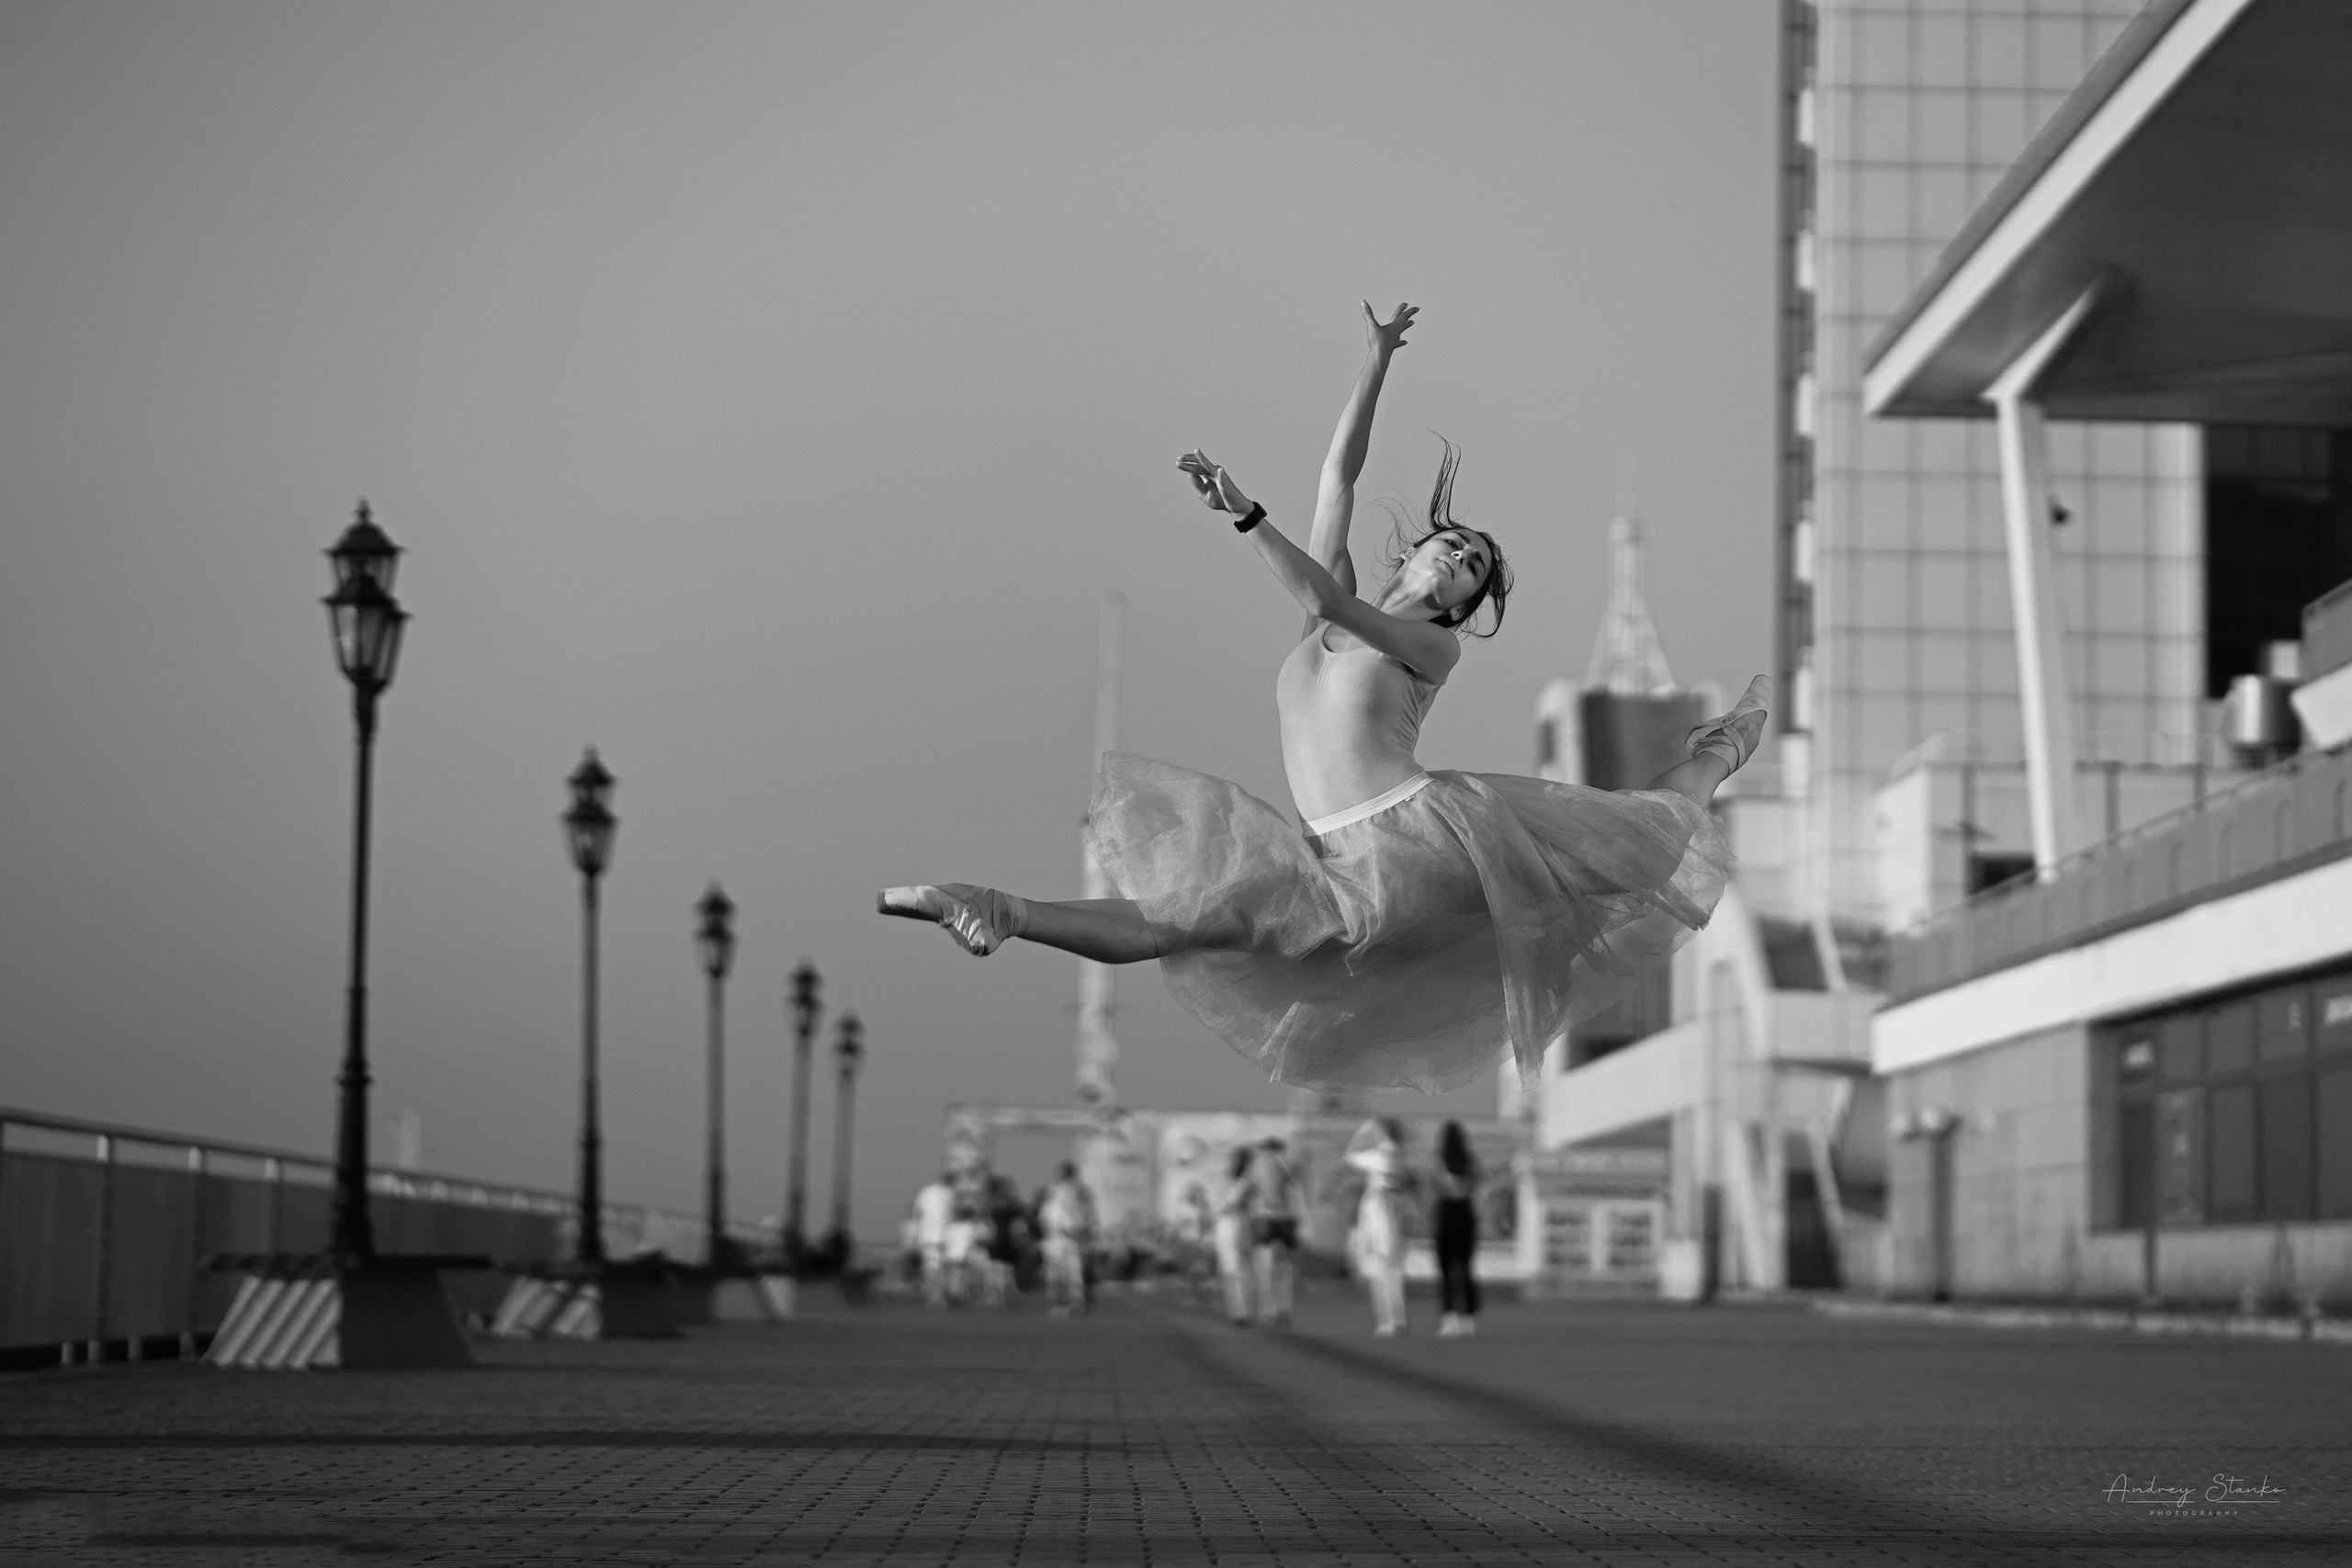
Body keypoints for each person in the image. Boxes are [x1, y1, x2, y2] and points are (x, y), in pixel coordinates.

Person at [881, 301, 1765, 1095]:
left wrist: (1244, 513)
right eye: (1455, 544)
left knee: (1636, 846)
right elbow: (1338, 479)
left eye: (1474, 568)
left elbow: (1324, 596)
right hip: (1334, 854)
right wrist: (1376, 362)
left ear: (1461, 606)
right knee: (1187, 919)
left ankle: (1716, 757)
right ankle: (997, 909)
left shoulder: (1430, 647)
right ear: (1415, 551)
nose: (1462, 558)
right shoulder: (1327, 620)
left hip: (1413, 839)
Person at [1344, 1118, 1414, 1337]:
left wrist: (1364, 1131)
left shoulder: (1380, 1155)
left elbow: (1350, 1155)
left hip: (1380, 1210)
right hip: (1395, 1210)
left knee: (1382, 1268)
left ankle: (1387, 1321)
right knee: (1394, 1268)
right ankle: (1398, 1319)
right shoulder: (1400, 1155)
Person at [1431, 1120, 1482, 1337]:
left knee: (1446, 1269)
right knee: (1466, 1268)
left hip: (1447, 1211)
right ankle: (1468, 1318)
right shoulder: (1470, 1161)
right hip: (1465, 1211)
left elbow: (1434, 1185)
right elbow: (1476, 1184)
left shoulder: (1438, 1161)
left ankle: (1449, 1316)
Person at [1250, 1136, 1305, 1327]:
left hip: (1267, 1217)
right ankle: (1283, 1308)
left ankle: (1269, 1310)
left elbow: (1257, 1191)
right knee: (1283, 1266)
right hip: (1285, 1217)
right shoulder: (1289, 1164)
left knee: (1267, 1266)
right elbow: (1296, 1192)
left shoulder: (1260, 1165)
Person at [1035, 1160, 1097, 1318]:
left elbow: (1087, 1215)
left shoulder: (1079, 1191)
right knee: (1055, 1273)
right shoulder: (1054, 1191)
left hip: (1072, 1238)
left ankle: (1075, 1304)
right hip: (1055, 1237)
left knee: (1073, 1272)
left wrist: (1083, 1231)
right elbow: (1045, 1215)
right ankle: (1057, 1304)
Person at [1213, 1145, 1258, 1326]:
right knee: (1228, 1268)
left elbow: (1236, 1204)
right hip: (1225, 1225)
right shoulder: (1228, 1181)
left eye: (1237, 1160)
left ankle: (1243, 1311)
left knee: (1241, 1267)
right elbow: (1220, 1205)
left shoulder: (1248, 1183)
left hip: (1239, 1223)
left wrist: (1227, 1205)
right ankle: (1235, 1310)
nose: (1233, 1163)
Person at [912, 1171, 956, 1308]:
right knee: (938, 1269)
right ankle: (937, 1296)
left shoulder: (925, 1192)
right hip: (943, 1237)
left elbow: (917, 1213)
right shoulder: (949, 1193)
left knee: (932, 1268)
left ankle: (934, 1296)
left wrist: (915, 1234)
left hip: (929, 1237)